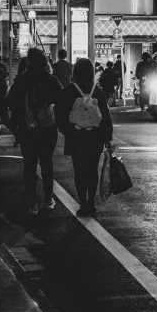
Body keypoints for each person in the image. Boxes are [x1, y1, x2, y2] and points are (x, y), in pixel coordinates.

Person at [6, 47, 63, 215]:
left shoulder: (22, 80)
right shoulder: (50, 79)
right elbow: (62, 98)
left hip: (27, 129)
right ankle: (48, 199)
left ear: (29, 62)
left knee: (29, 165)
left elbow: (10, 101)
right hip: (48, 128)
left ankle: (32, 202)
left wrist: (17, 123)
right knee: (47, 163)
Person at [57, 57, 113, 217]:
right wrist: (107, 137)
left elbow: (60, 113)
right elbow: (105, 116)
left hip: (76, 136)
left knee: (79, 171)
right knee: (92, 170)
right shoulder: (97, 91)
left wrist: (67, 130)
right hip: (95, 136)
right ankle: (91, 203)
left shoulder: (69, 90)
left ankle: (83, 202)